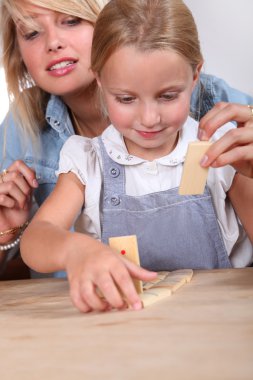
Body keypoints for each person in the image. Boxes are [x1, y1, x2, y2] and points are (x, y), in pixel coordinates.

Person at [20, 0, 253, 313]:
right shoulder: (87, 160)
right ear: (100, 81)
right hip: (127, 328)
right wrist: (74, 250)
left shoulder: (223, 152)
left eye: (168, 96)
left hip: (219, 321)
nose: (149, 118)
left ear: (195, 76)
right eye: (126, 99)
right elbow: (36, 240)